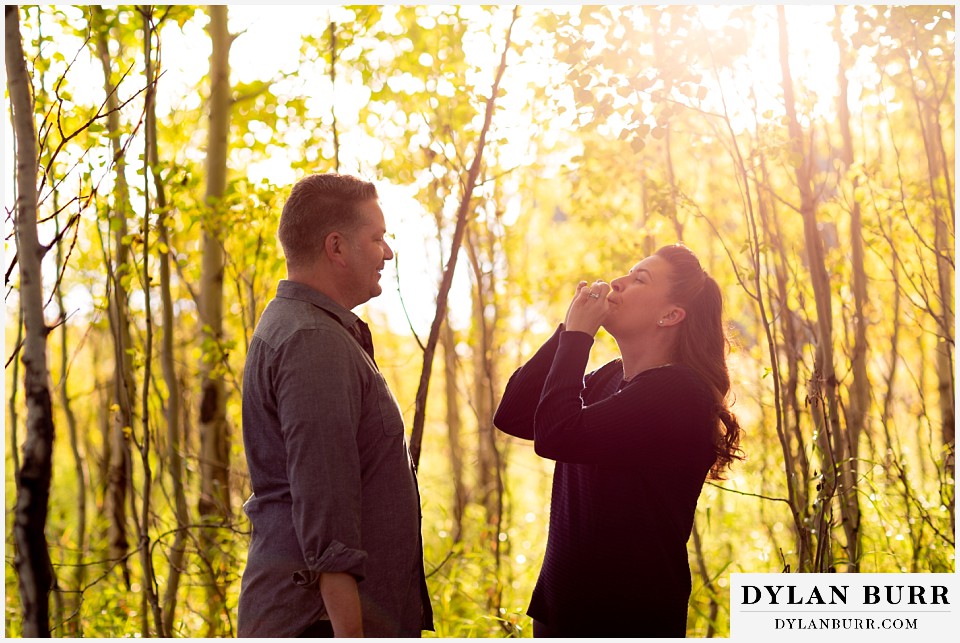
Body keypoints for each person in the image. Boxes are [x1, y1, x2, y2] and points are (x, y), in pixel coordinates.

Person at [494, 243, 743, 638]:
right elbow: (514, 414)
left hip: (627, 619)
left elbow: (556, 435)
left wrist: (579, 336)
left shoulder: (679, 392)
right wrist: (567, 332)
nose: (617, 282)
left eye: (639, 278)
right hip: (559, 611)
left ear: (670, 315)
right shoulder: (610, 378)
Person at [238, 173, 433, 637]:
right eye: (377, 237)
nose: (387, 252)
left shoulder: (311, 329)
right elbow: (328, 515)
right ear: (337, 247)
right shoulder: (312, 342)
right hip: (319, 624)